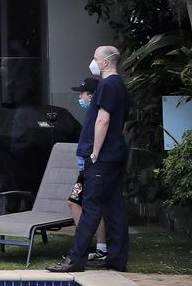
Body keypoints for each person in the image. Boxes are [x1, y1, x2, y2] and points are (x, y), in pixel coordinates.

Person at [49, 46, 130, 273]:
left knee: (90, 207)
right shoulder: (121, 86)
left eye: (94, 58)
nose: (92, 62)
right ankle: (117, 258)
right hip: (115, 154)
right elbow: (123, 123)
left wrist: (95, 152)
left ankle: (75, 259)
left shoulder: (106, 85)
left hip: (102, 158)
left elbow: (103, 120)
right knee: (114, 207)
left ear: (104, 62)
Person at [65, 77, 108, 265]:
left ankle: (99, 247)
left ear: (90, 96)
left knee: (89, 206)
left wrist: (92, 155)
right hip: (87, 164)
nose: (80, 97)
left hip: (92, 165)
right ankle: (91, 245)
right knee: (74, 203)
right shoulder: (93, 113)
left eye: (82, 94)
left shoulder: (99, 114)